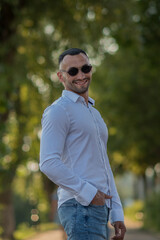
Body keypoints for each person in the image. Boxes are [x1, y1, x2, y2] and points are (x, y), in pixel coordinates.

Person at [40, 48, 126, 240]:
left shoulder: (94, 113)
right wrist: (90, 193)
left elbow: (103, 165)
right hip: (80, 207)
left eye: (85, 68)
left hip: (97, 207)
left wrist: (116, 212)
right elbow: (48, 162)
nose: (80, 75)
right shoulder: (58, 111)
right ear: (61, 76)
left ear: (91, 70)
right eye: (72, 71)